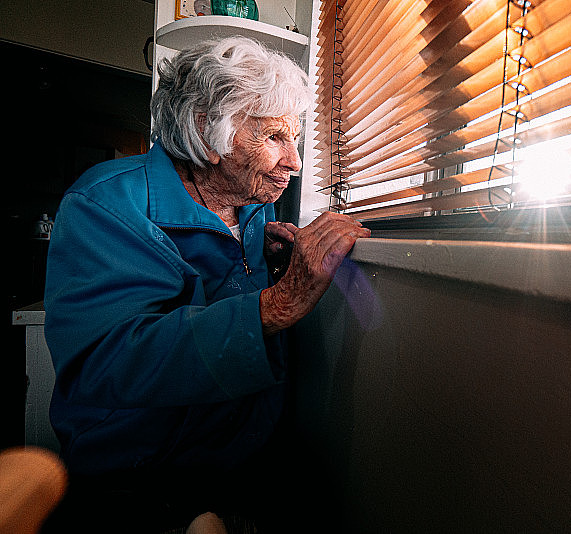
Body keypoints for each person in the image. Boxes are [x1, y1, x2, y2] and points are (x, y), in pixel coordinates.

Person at [42, 36, 369, 532]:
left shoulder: (254, 207)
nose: (296, 162)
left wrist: (264, 258)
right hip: (141, 481)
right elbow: (104, 362)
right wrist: (276, 304)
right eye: (275, 137)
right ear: (205, 130)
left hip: (243, 464)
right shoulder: (105, 203)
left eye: (296, 139)